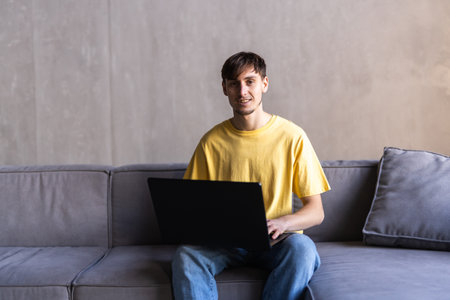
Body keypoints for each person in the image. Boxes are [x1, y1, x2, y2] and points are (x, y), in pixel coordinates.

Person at [171, 51, 331, 300]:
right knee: (186, 255)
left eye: (249, 81)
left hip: (276, 242)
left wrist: (284, 223)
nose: (242, 91)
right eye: (234, 84)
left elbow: (316, 212)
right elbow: (191, 209)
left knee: (304, 250)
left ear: (264, 84)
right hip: (226, 245)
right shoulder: (211, 142)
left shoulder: (293, 137)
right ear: (224, 88)